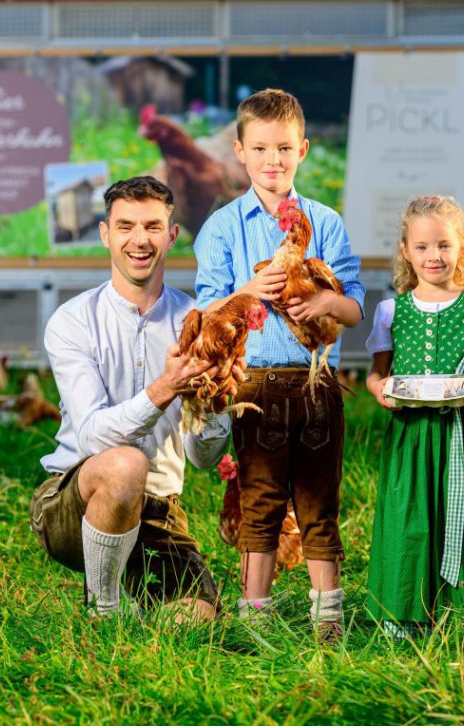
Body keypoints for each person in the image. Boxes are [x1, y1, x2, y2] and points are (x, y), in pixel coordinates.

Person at [193, 88, 365, 641]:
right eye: (262, 148)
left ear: (304, 150)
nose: (274, 160)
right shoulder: (223, 227)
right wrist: (247, 290)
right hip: (254, 385)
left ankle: (328, 619)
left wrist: (324, 303)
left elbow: (354, 306)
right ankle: (254, 618)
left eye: (285, 148)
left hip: (315, 381)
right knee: (259, 502)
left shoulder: (326, 222)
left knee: (319, 499)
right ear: (239, 152)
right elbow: (205, 311)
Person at [29, 176, 233, 623]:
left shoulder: (199, 320)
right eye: (125, 226)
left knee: (197, 619)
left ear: (172, 235)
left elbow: (202, 458)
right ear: (105, 234)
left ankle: (137, 603)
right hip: (74, 500)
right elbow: (90, 438)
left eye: (152, 227)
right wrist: (165, 389)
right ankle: (103, 611)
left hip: (159, 508)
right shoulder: (73, 321)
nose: (139, 240)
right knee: (125, 464)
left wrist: (214, 405)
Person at [364, 195, 464, 636]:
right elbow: (377, 373)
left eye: (444, 245)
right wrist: (380, 391)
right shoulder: (392, 311)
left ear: (463, 248)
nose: (434, 256)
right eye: (424, 247)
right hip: (411, 434)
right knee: (408, 518)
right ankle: (404, 611)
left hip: (461, 433)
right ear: (406, 251)